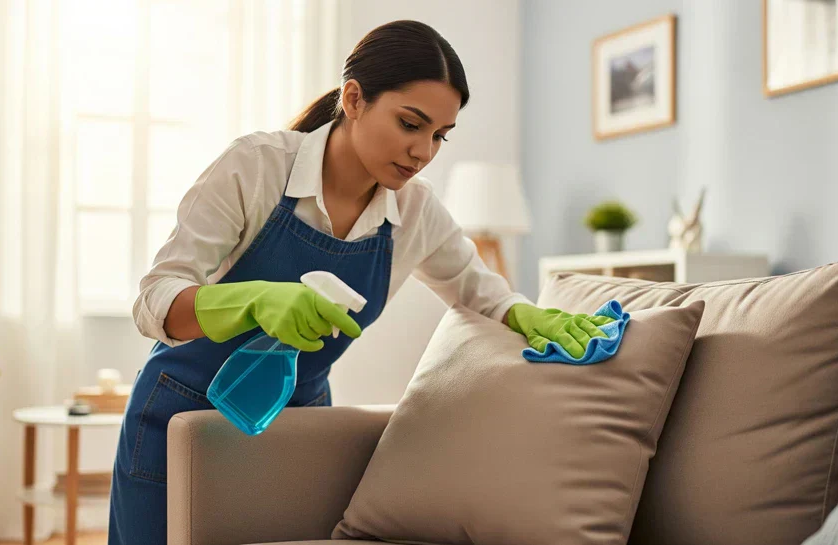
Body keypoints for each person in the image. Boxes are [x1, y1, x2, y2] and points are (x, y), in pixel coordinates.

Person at [108, 19, 612, 545]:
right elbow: (155, 302)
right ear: (353, 99)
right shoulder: (257, 166)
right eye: (410, 124)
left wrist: (526, 315)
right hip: (178, 421)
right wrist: (253, 299)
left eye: (439, 135)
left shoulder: (415, 212)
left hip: (293, 431)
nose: (424, 152)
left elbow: (480, 292)